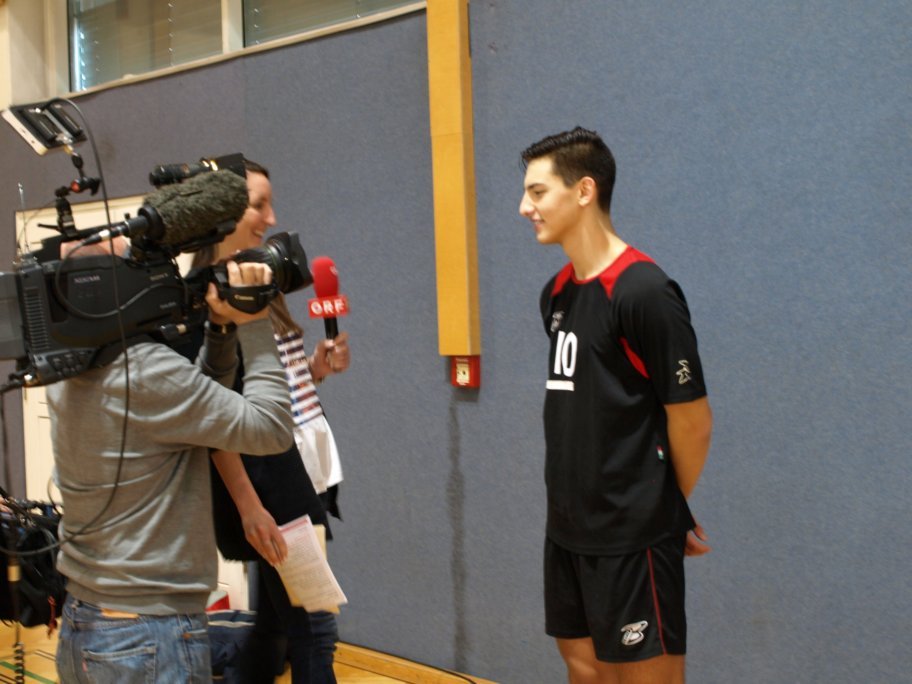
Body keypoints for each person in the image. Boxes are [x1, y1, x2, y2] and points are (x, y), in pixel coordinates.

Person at [48, 239, 294, 682]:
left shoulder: (66, 366)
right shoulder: (146, 371)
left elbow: (195, 408)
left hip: (87, 623)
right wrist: (255, 321)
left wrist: (220, 330)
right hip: (149, 636)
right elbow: (271, 428)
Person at [519, 127, 713, 684]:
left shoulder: (644, 291)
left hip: (632, 538)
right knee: (585, 671)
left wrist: (663, 511)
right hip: (567, 530)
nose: (524, 207)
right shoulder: (557, 293)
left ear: (584, 190)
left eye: (537, 192)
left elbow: (693, 422)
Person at [191, 159, 350, 684]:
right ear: (222, 210)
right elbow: (214, 415)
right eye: (258, 205)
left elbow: (269, 387)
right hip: (266, 484)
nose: (271, 217)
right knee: (314, 627)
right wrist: (248, 505)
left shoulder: (264, 279)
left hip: (296, 468)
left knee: (275, 626)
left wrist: (314, 370)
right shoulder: (205, 298)